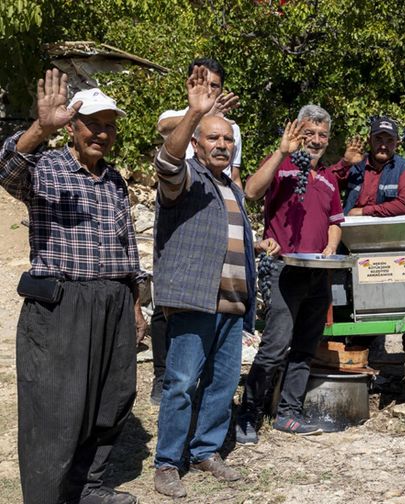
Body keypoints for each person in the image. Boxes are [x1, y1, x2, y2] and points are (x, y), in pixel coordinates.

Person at [0, 69, 145, 504]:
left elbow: (128, 251)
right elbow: (7, 170)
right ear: (73, 127)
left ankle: (88, 487)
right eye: (92, 123)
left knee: (112, 400)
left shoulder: (116, 181)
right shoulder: (47, 167)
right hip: (62, 305)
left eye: (109, 125)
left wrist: (135, 304)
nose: (101, 133)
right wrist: (39, 129)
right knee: (54, 410)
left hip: (115, 301)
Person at [151, 66, 258, 498]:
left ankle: (207, 451)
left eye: (227, 139)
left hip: (232, 303)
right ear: (197, 143)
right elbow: (165, 161)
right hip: (196, 300)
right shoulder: (187, 177)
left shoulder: (229, 188)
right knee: (180, 383)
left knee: (222, 383)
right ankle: (166, 462)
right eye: (213, 138)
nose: (222, 144)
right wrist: (194, 114)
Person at [235, 104, 344, 444]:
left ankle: (289, 414)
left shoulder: (328, 177)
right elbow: (251, 192)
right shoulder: (282, 164)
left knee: (305, 347)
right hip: (284, 271)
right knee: (275, 346)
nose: (315, 140)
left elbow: (334, 222)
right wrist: (282, 151)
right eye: (309, 133)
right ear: (298, 132)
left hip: (318, 273)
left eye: (322, 135)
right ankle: (247, 415)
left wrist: (330, 248)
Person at [157, 58, 242, 188]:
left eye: (214, 86)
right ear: (190, 84)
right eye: (202, 83)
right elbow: (163, 127)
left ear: (221, 90)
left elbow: (234, 176)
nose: (208, 90)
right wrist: (205, 115)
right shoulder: (174, 116)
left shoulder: (232, 128)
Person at [335, 116, 405, 216]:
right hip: (351, 228)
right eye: (378, 139)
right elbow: (326, 186)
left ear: (397, 144)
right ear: (369, 140)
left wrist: (363, 211)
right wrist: (345, 163)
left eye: (389, 140)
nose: (383, 146)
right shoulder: (355, 163)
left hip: (387, 230)